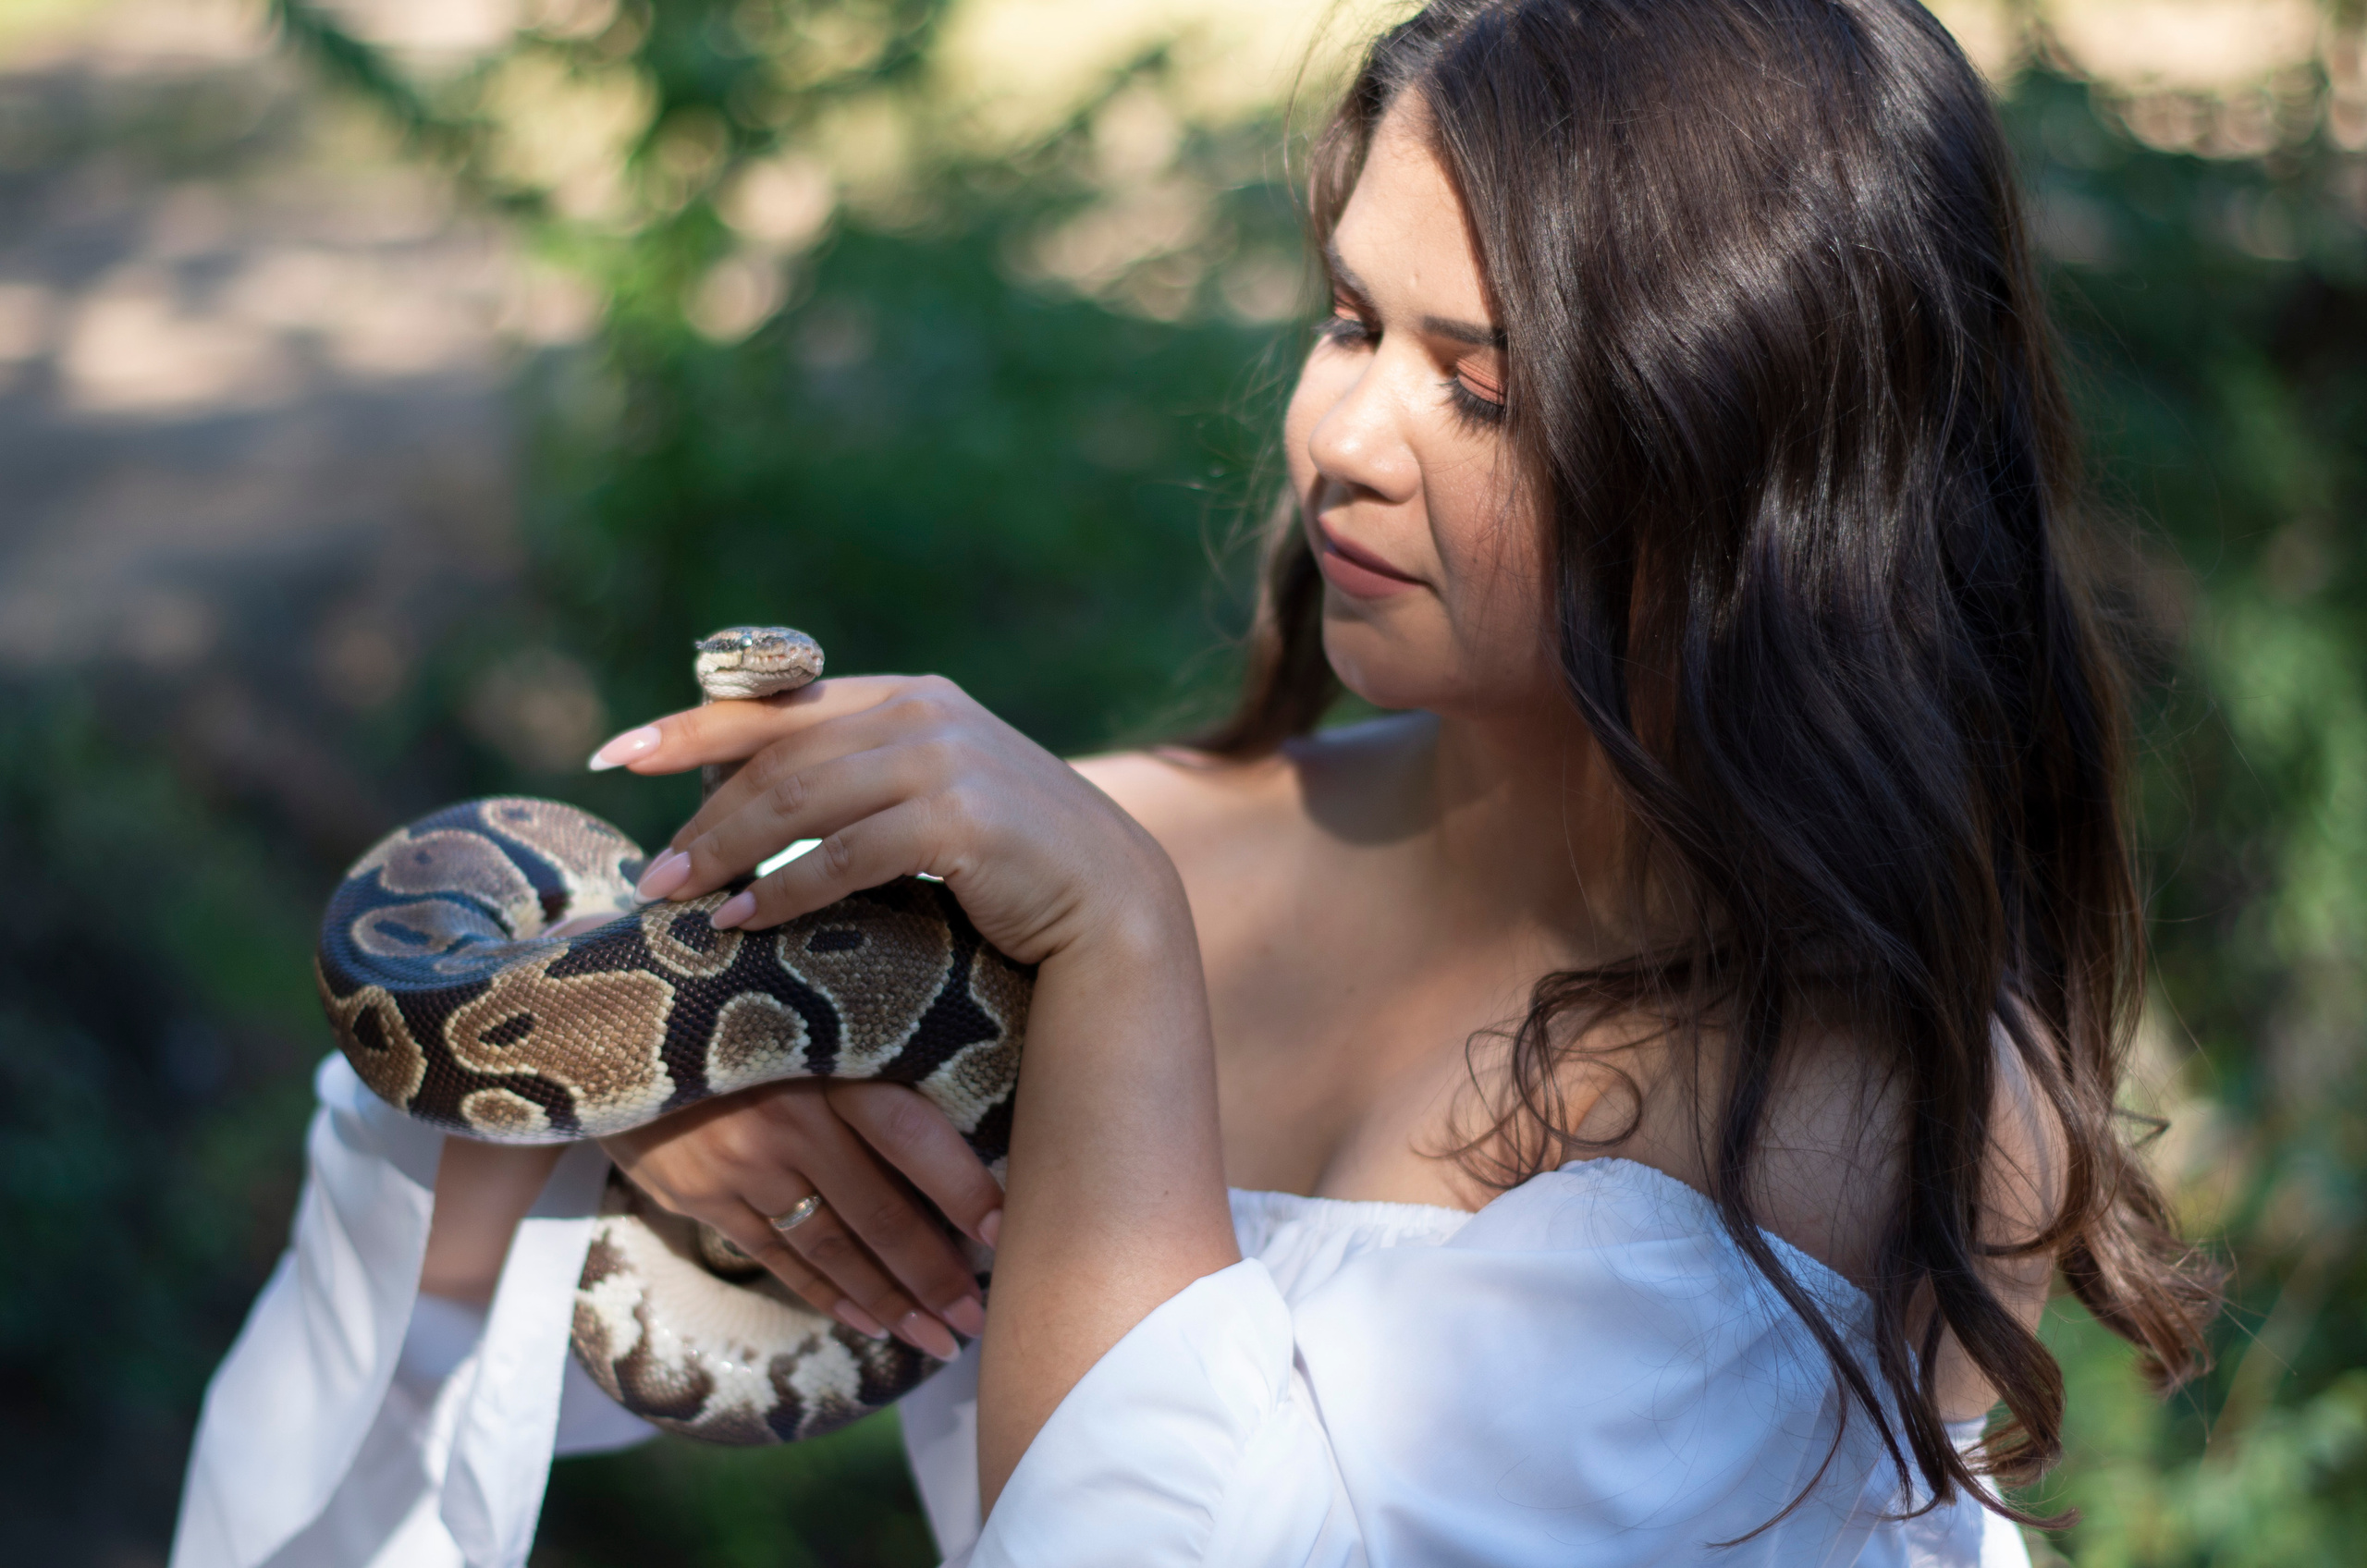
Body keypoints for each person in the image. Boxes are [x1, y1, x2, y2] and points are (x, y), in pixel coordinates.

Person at [171, 1, 2226, 1563]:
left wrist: (1119, 968)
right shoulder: (1103, 844)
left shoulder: (1878, 1104)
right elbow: (466, 1291)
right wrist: (632, 1115)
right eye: (1346, 318)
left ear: (1750, 470)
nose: (1339, 432)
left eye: (1478, 383)